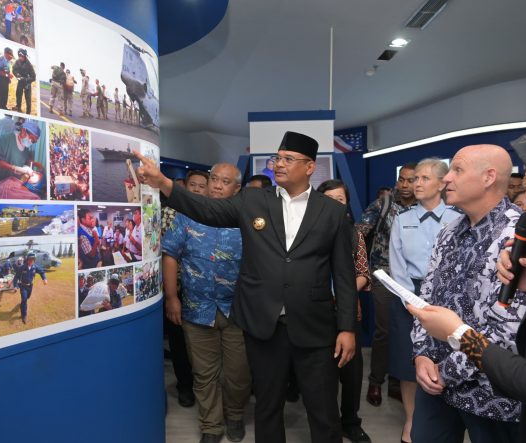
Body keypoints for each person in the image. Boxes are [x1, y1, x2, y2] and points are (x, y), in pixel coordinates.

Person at [135, 131, 358, 443]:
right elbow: (208, 210)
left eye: (288, 159)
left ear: (309, 167)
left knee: (323, 410)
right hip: (264, 325)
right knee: (267, 406)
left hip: (315, 326)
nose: (278, 164)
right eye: (277, 158)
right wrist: (164, 183)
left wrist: (346, 328)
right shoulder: (253, 200)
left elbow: (344, 275)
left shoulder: (332, 211)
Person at [408, 114, 526, 442]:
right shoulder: (448, 231)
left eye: (457, 170)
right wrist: (422, 353)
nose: (446, 179)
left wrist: (446, 371)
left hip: (493, 393)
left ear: (488, 177)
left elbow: (510, 328)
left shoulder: (523, 234)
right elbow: (426, 296)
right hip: (434, 382)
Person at [163, 163, 250, 443]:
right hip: (196, 308)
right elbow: (170, 255)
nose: (216, 185)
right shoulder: (186, 215)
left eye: (225, 182)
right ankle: (211, 426)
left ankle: (235, 415)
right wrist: (172, 298)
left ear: (236, 189)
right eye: (214, 179)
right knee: (204, 373)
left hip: (238, 310)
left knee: (238, 374)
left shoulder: (247, 218)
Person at [388, 158, 461, 443]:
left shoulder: (458, 217)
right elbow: (397, 264)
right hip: (409, 297)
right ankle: (411, 419)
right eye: (414, 178)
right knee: (409, 363)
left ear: (442, 183)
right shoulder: (402, 219)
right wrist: (412, 300)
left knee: (445, 358)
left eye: (424, 179)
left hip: (449, 299)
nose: (416, 184)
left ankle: (444, 418)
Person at [316, 179, 372, 443]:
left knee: (351, 374)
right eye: (329, 199)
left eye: (340, 199)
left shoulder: (354, 233)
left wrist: (342, 293)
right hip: (315, 315)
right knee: (322, 375)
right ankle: (327, 426)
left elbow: (363, 273)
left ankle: (350, 421)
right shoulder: (307, 232)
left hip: (348, 313)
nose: (335, 204)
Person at [356, 163, 416, 407]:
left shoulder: (427, 207)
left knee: (409, 332)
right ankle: (376, 381)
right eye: (401, 179)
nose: (404, 185)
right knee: (385, 330)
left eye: (410, 180)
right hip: (384, 275)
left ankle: (398, 380)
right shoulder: (385, 203)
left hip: (413, 279)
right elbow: (360, 230)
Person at [161, 169, 209, 409]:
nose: (198, 189)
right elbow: (166, 252)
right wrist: (171, 295)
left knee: (202, 345)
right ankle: (185, 387)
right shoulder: (170, 213)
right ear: (185, 187)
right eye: (194, 185)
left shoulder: (214, 214)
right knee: (180, 342)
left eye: (203, 185)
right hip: (177, 288)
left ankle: (206, 389)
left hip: (203, 291)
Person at [12, 252, 47, 324]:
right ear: (27, 260)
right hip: (23, 286)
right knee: (24, 300)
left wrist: (44, 279)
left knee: (27, 297)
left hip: (30, 286)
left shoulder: (35, 267)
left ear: (34, 260)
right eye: (30, 260)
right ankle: (24, 315)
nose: (31, 261)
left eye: (33, 260)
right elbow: (16, 277)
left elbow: (42, 272)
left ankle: (22, 304)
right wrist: (15, 286)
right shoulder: (22, 267)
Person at [12, 48, 35, 114]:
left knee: (28, 98)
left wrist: (27, 79)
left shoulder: (29, 65)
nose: (20, 57)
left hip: (27, 83)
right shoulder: (17, 61)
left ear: (24, 56)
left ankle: (28, 112)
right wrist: (17, 75)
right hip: (20, 81)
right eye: (19, 56)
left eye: (21, 56)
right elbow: (14, 69)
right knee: (18, 94)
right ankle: (18, 107)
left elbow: (33, 77)